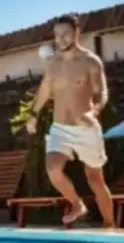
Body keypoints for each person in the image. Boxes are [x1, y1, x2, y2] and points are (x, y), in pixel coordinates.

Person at [26, 13, 115, 228]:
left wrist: (93, 112)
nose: (61, 39)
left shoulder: (90, 61)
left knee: (95, 179)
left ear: (77, 32)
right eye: (57, 35)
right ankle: (77, 205)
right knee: (53, 169)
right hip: (60, 128)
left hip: (85, 127)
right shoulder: (53, 63)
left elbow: (102, 92)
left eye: (66, 34)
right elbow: (45, 89)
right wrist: (34, 114)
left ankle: (110, 225)